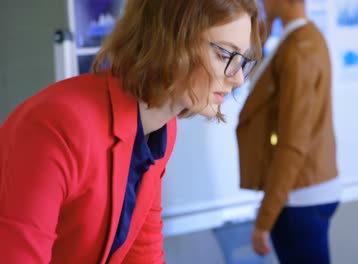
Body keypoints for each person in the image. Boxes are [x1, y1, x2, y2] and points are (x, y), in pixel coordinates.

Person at [0, 0, 261, 263]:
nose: (238, 78)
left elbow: (143, 253)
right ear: (169, 40)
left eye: (242, 60)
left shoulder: (161, 128)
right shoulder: (56, 126)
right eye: (226, 55)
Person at [236, 0, 341, 263]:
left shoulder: (298, 49)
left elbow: (292, 144)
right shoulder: (299, 38)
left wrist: (264, 220)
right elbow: (252, 87)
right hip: (304, 192)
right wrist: (263, 36)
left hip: (298, 198)